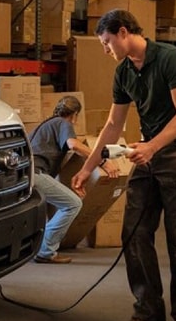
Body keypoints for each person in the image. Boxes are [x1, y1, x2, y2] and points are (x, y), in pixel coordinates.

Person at [71, 9, 176, 321]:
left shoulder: (170, 59)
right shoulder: (124, 72)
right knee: (134, 232)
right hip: (147, 154)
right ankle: (148, 311)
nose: (105, 49)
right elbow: (112, 126)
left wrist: (153, 146)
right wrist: (87, 169)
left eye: (106, 42)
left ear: (123, 31)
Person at [29, 95, 119, 264]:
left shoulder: (44, 126)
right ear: (75, 115)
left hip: (24, 175)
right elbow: (74, 145)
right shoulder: (64, 123)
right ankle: (45, 251)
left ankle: (40, 247)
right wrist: (102, 161)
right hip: (36, 174)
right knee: (72, 203)